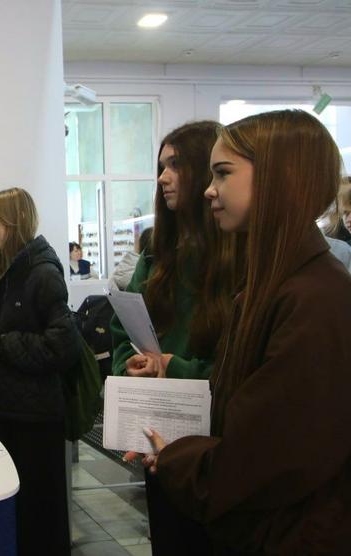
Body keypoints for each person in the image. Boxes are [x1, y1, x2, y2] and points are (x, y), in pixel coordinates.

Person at [139, 110, 351, 554]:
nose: (208, 189)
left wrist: (179, 459)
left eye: (223, 173)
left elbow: (265, 457)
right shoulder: (277, 284)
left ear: (281, 177)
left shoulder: (315, 298)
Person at [112, 120, 236, 554]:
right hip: (159, 440)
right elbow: (121, 332)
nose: (163, 177)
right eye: (161, 166)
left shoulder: (238, 256)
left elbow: (240, 367)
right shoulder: (156, 253)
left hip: (216, 448)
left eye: (175, 165)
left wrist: (173, 366)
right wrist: (132, 366)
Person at [0, 188, 78, 555]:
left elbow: (61, 347)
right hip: (10, 404)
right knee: (20, 504)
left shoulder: (43, 273)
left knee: (41, 509)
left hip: (37, 413)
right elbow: (0, 324)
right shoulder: (3, 270)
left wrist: (2, 342)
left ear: (15, 222)